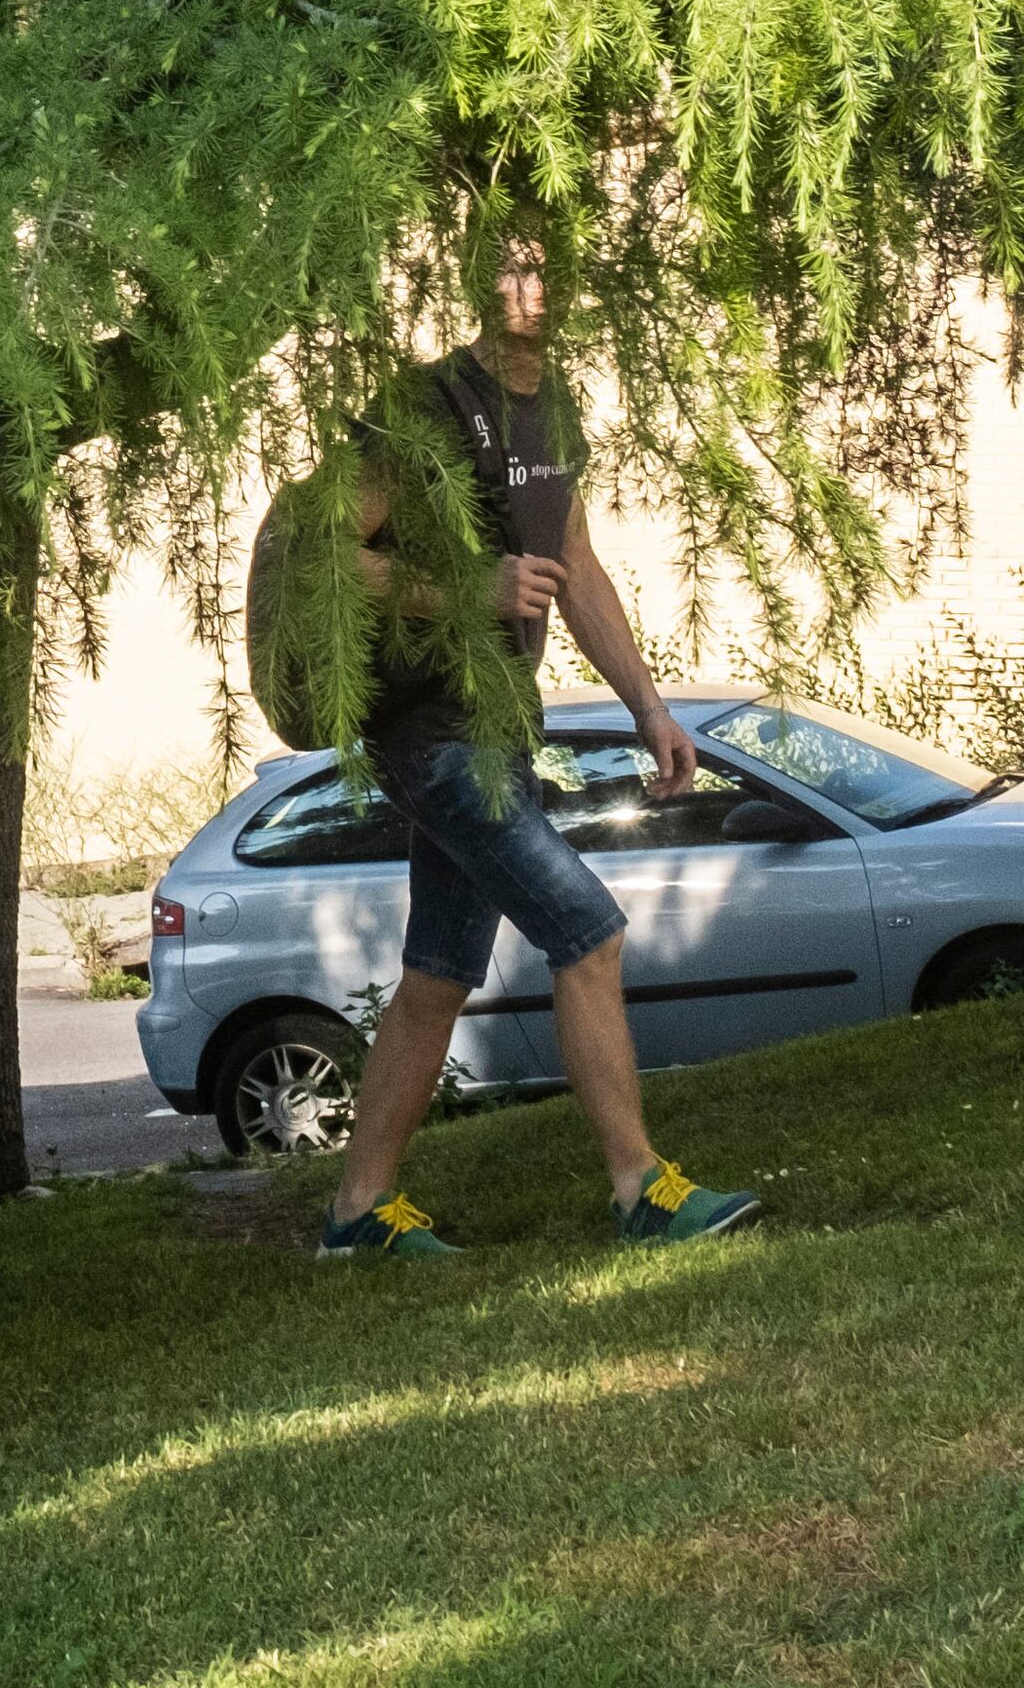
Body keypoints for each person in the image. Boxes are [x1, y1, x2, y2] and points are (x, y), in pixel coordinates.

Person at [318, 233, 762, 1259]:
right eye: (508, 268)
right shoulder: (424, 404)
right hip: (429, 734)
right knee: (587, 930)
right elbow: (333, 558)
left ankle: (355, 1213)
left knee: (436, 975)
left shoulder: (555, 409)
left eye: (545, 267)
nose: (530, 288)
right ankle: (639, 1189)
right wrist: (459, 591)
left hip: (499, 728)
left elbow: (574, 564)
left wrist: (648, 706)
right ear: (474, 281)